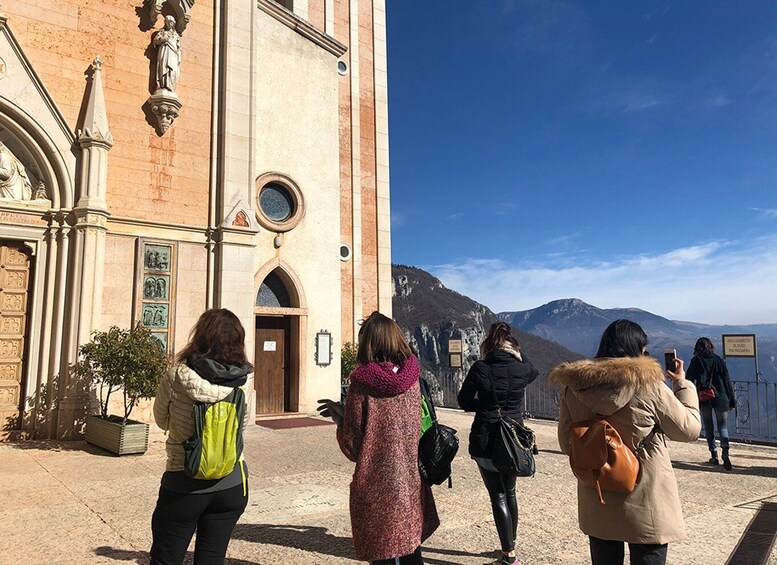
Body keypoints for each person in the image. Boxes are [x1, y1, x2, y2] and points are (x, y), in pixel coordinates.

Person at [549, 319, 701, 565]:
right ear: (638, 350)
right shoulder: (650, 385)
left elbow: (568, 445)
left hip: (598, 495)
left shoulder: (574, 387)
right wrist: (682, 385)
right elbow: (689, 430)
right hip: (646, 497)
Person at [320, 311, 439, 564]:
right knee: (410, 549)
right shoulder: (412, 379)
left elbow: (353, 447)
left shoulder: (361, 383)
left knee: (382, 555)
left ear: (369, 342)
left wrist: (340, 420)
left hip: (376, 485)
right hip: (409, 482)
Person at [150, 309, 252, 565]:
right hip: (232, 482)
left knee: (166, 556)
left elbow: (161, 419)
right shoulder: (244, 380)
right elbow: (243, 425)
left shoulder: (176, 375)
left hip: (184, 480)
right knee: (212, 557)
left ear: (201, 337)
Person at [457, 322, 539, 565]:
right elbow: (533, 369)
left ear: (489, 345)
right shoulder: (522, 369)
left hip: (486, 438)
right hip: (514, 438)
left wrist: (483, 409)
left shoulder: (481, 367)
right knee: (510, 491)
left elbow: (463, 400)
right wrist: (517, 351)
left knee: (498, 495)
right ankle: (509, 546)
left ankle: (509, 554)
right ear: (512, 344)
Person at [686, 337, 735, 469]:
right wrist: (732, 399)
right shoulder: (719, 360)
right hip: (722, 397)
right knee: (723, 427)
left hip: (704, 397)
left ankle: (714, 455)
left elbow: (688, 379)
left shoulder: (696, 361)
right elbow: (727, 380)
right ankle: (725, 451)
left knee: (708, 426)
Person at [154, 15, 181, 93]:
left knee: (172, 70)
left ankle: (171, 86)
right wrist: (162, 39)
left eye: (171, 22)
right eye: (168, 22)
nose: (170, 24)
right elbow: (155, 41)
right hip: (165, 52)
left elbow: (179, 48)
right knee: (164, 68)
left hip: (173, 55)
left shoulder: (176, 35)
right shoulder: (162, 32)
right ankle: (163, 85)